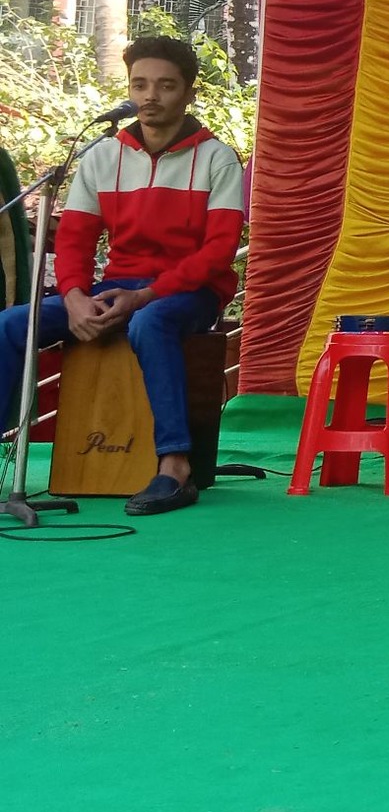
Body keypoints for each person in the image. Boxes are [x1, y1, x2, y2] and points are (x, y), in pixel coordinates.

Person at [0, 36, 244, 516]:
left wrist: (148, 295)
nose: (150, 96)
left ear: (189, 93)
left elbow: (219, 252)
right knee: (10, 324)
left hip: (190, 291)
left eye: (166, 86)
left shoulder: (217, 157)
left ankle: (175, 466)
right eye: (140, 85)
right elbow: (74, 240)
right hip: (116, 287)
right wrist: (74, 296)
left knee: (150, 322)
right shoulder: (101, 156)